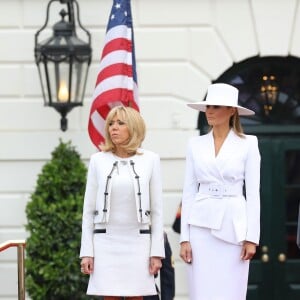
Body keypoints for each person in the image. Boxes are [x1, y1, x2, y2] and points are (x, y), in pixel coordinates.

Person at [180, 83, 261, 300]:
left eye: (216, 106)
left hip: (233, 230)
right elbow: (188, 192)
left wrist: (252, 237)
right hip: (200, 228)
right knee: (201, 292)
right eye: (207, 107)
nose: (210, 111)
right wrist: (184, 238)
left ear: (231, 110)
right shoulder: (194, 144)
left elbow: (253, 195)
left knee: (231, 292)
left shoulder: (249, 144)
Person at [80, 106, 165, 300]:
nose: (113, 128)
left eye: (120, 123)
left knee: (137, 296)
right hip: (105, 243)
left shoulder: (151, 160)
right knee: (110, 296)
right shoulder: (97, 161)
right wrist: (87, 252)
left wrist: (156, 253)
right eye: (111, 123)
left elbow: (157, 212)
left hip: (139, 242)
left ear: (134, 128)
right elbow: (88, 211)